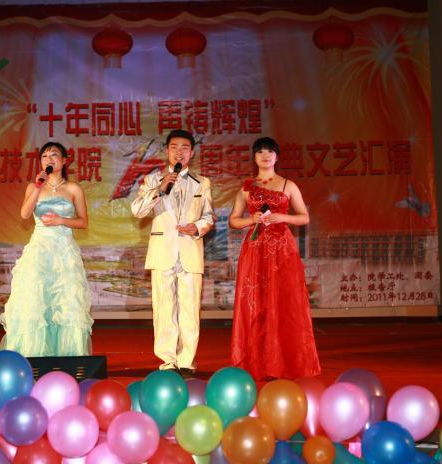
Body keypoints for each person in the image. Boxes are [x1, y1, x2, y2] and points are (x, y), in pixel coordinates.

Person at [229, 136, 320, 380]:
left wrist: (283, 218)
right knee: (255, 304)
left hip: (282, 251)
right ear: (254, 157)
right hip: (255, 250)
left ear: (276, 157)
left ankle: (284, 362)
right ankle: (256, 362)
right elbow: (233, 220)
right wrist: (251, 220)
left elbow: (304, 217)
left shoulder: (288, 185)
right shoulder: (246, 188)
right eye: (260, 152)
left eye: (270, 151)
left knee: (283, 303)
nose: (265, 156)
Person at [131, 129, 215, 376]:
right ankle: (168, 360)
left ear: (192, 153)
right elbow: (137, 210)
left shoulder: (202, 183)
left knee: (190, 308)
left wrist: (197, 227)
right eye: (174, 147)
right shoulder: (152, 180)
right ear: (167, 151)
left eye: (185, 148)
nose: (179, 152)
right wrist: (159, 189)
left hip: (190, 249)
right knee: (164, 307)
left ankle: (187, 360)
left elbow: (209, 216)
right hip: (162, 252)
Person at [0, 142, 93, 356]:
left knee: (66, 302)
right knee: (36, 300)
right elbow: (24, 214)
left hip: (64, 251)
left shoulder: (73, 189)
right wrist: (38, 186)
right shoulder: (34, 187)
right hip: (39, 250)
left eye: (54, 155)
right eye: (44, 156)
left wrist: (61, 220)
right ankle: (34, 354)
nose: (49, 159)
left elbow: (83, 221)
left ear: (64, 160)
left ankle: (68, 354)